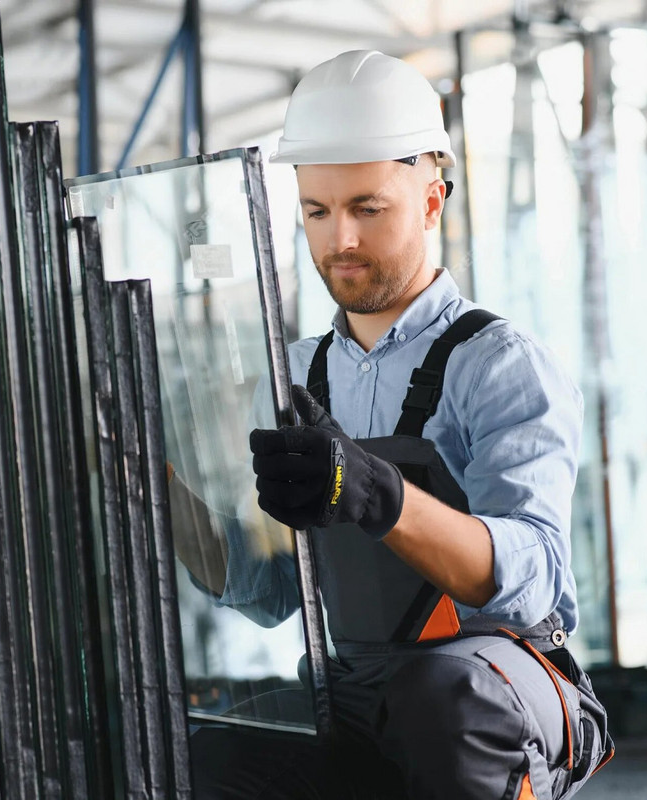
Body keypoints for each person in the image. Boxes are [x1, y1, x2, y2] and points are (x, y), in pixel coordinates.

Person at [189, 50, 614, 799]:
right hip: (353, 684)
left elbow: (534, 575)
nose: (340, 238)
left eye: (367, 208)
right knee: (216, 756)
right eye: (317, 211)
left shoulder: (497, 364)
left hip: (500, 677)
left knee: (440, 700)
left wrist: (378, 494)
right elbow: (272, 587)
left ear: (431, 199)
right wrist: (151, 496)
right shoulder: (293, 377)